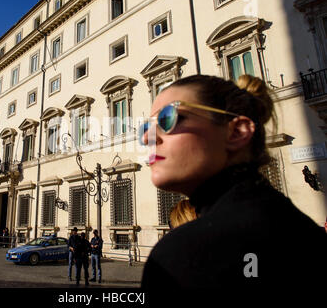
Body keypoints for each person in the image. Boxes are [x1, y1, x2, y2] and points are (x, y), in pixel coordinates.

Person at [140, 74, 327, 291]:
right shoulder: (304, 232)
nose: (148, 138)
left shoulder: (181, 255)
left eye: (168, 118)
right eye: (146, 127)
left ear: (237, 132)